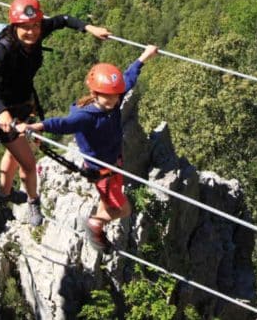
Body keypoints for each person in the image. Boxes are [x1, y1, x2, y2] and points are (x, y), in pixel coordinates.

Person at [0, 0, 110, 226]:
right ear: (14, 26)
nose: (32, 32)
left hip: (23, 105)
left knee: (13, 153)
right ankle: (33, 202)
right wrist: (1, 112)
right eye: (25, 28)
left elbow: (63, 19)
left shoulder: (39, 31)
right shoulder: (5, 48)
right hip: (1, 113)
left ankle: (5, 192)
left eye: (35, 25)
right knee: (28, 165)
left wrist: (89, 28)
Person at [16, 45, 159, 251]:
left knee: (109, 200)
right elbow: (63, 124)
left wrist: (144, 56)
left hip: (112, 164)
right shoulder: (85, 116)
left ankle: (98, 225)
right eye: (108, 96)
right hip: (103, 172)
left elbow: (128, 78)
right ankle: (95, 224)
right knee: (125, 209)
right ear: (94, 92)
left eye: (116, 96)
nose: (114, 100)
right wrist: (36, 126)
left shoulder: (113, 99)